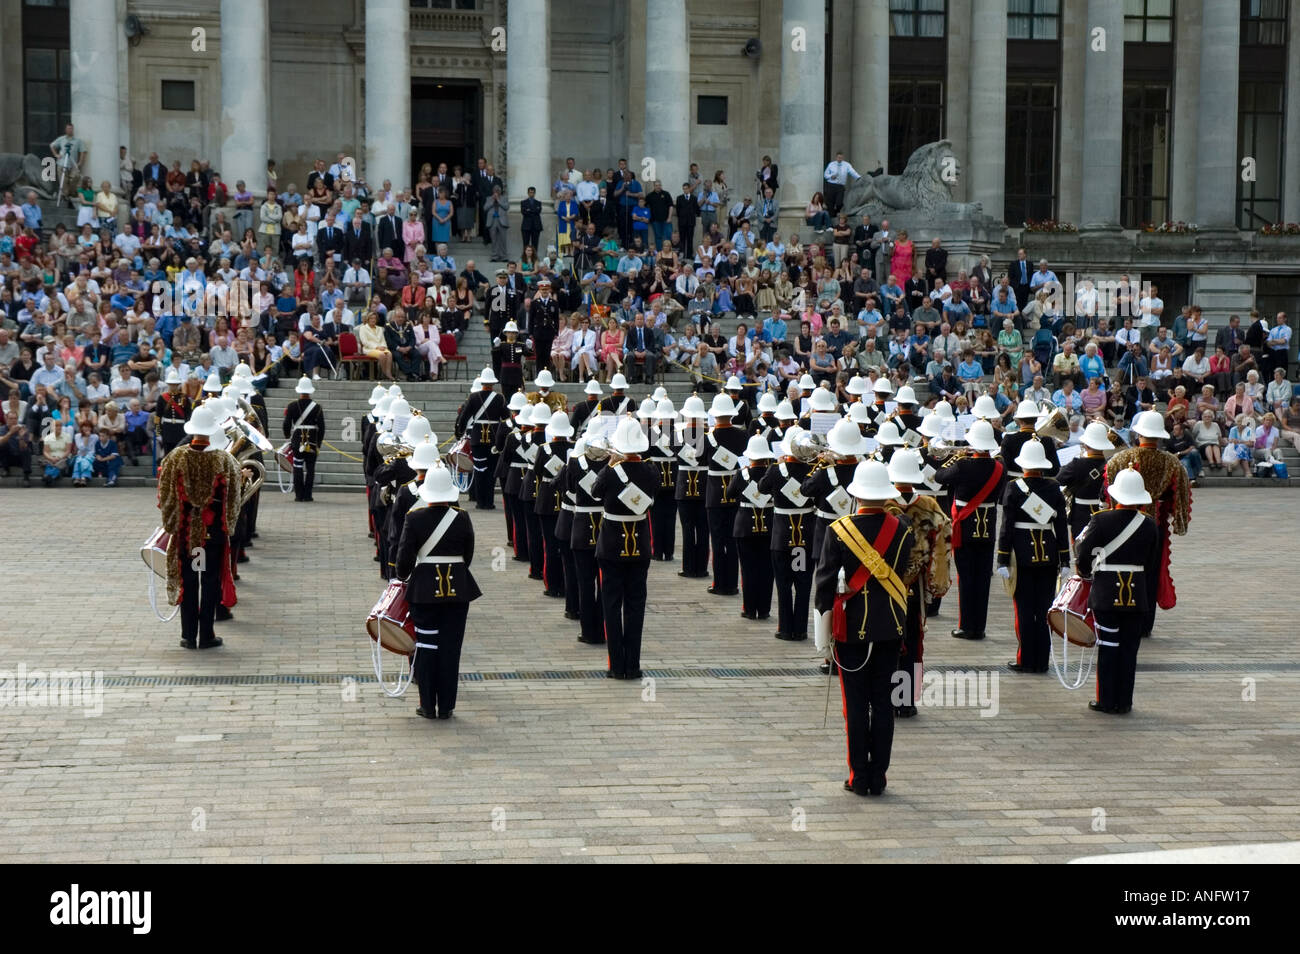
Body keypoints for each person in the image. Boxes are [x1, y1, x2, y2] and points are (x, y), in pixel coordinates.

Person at [813, 460, 914, 796]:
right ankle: (879, 776)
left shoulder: (838, 530)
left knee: (855, 704)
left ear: (856, 493)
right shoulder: (903, 529)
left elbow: (825, 585)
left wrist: (822, 633)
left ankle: (859, 776)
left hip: (851, 629)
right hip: (890, 627)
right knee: (884, 703)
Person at [393, 464, 482, 720]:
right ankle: (446, 706)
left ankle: (427, 705)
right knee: (451, 648)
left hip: (424, 591)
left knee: (426, 645)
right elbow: (468, 555)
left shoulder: (414, 518)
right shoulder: (462, 517)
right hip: (457, 589)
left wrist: (403, 577)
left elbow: (403, 561)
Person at [1075, 467, 1161, 714]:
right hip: (1137, 595)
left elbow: (1083, 554)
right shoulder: (1149, 525)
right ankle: (1124, 701)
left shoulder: (1100, 519)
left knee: (1109, 646)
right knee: (1129, 649)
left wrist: (1085, 571)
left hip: (1106, 594)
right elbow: (1151, 562)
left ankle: (1106, 699)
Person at [157, 405, 240, 648]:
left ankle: (188, 634)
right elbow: (233, 499)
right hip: (212, 534)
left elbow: (166, 495)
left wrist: (171, 524)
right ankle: (207, 634)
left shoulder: (175, 457)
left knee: (190, 580)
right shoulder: (225, 459)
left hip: (186, 533)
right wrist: (230, 525)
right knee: (210, 581)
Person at [1105, 411, 1192, 638]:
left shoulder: (1120, 459)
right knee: (1151, 571)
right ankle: (1145, 623)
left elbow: (1109, 493)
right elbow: (1180, 497)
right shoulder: (1172, 462)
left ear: (1139, 433)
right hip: (1156, 525)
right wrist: (1179, 522)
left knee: (1126, 567)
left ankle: (1124, 612)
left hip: (1124, 521)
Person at [994, 440, 1070, 673]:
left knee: (1024, 611)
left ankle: (1025, 659)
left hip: (1022, 557)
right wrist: (1065, 559)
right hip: (1049, 555)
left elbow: (1006, 526)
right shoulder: (1053, 487)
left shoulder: (1014, 488)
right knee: (1044, 609)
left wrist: (1002, 558)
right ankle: (1041, 661)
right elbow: (1060, 524)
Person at [593, 417, 659, 679]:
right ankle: (633, 665)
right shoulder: (650, 470)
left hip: (611, 546)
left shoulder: (610, 471)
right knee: (635, 606)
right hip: (639, 546)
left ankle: (616, 665)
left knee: (611, 605)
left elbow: (595, 492)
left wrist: (610, 464)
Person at [887, 449, 952, 717]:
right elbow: (943, 546)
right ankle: (907, 701)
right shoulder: (930, 505)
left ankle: (887, 698)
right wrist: (936, 584)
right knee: (913, 642)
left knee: (887, 642)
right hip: (915, 585)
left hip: (885, 584)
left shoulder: (880, 502)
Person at [937, 419, 1005, 641]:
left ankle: (967, 626)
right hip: (987, 529)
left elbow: (940, 477)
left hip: (965, 529)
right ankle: (979, 627)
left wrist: (955, 457)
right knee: (983, 578)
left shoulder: (963, 465)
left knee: (966, 579)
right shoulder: (999, 468)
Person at [701, 392, 747, 596]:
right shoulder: (743, 435)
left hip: (714, 493)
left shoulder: (708, 437)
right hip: (737, 492)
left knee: (718, 541)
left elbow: (698, 460)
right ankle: (732, 583)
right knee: (733, 541)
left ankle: (720, 583)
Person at [732, 434, 775, 621]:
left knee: (748, 570)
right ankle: (764, 609)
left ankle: (749, 609)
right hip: (770, 526)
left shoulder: (742, 474)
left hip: (745, 526)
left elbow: (730, 493)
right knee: (766, 570)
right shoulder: (773, 474)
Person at [1056, 421, 1113, 546]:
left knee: (1080, 550)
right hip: (1105, 513)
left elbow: (1059, 479)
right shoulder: (1111, 465)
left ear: (1086, 444)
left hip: (1081, 514)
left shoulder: (1077, 464)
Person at [674, 394, 711, 579]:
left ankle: (689, 567)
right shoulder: (709, 436)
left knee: (688, 530)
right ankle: (702, 567)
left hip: (684, 487)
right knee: (703, 530)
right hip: (705, 487)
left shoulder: (678, 435)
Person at [282, 375, 324, 502]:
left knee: (297, 466)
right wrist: (319, 443)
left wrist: (287, 436)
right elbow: (322, 427)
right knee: (310, 468)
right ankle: (308, 494)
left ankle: (299, 495)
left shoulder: (292, 406)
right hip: (312, 440)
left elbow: (286, 423)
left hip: (297, 439)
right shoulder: (317, 407)